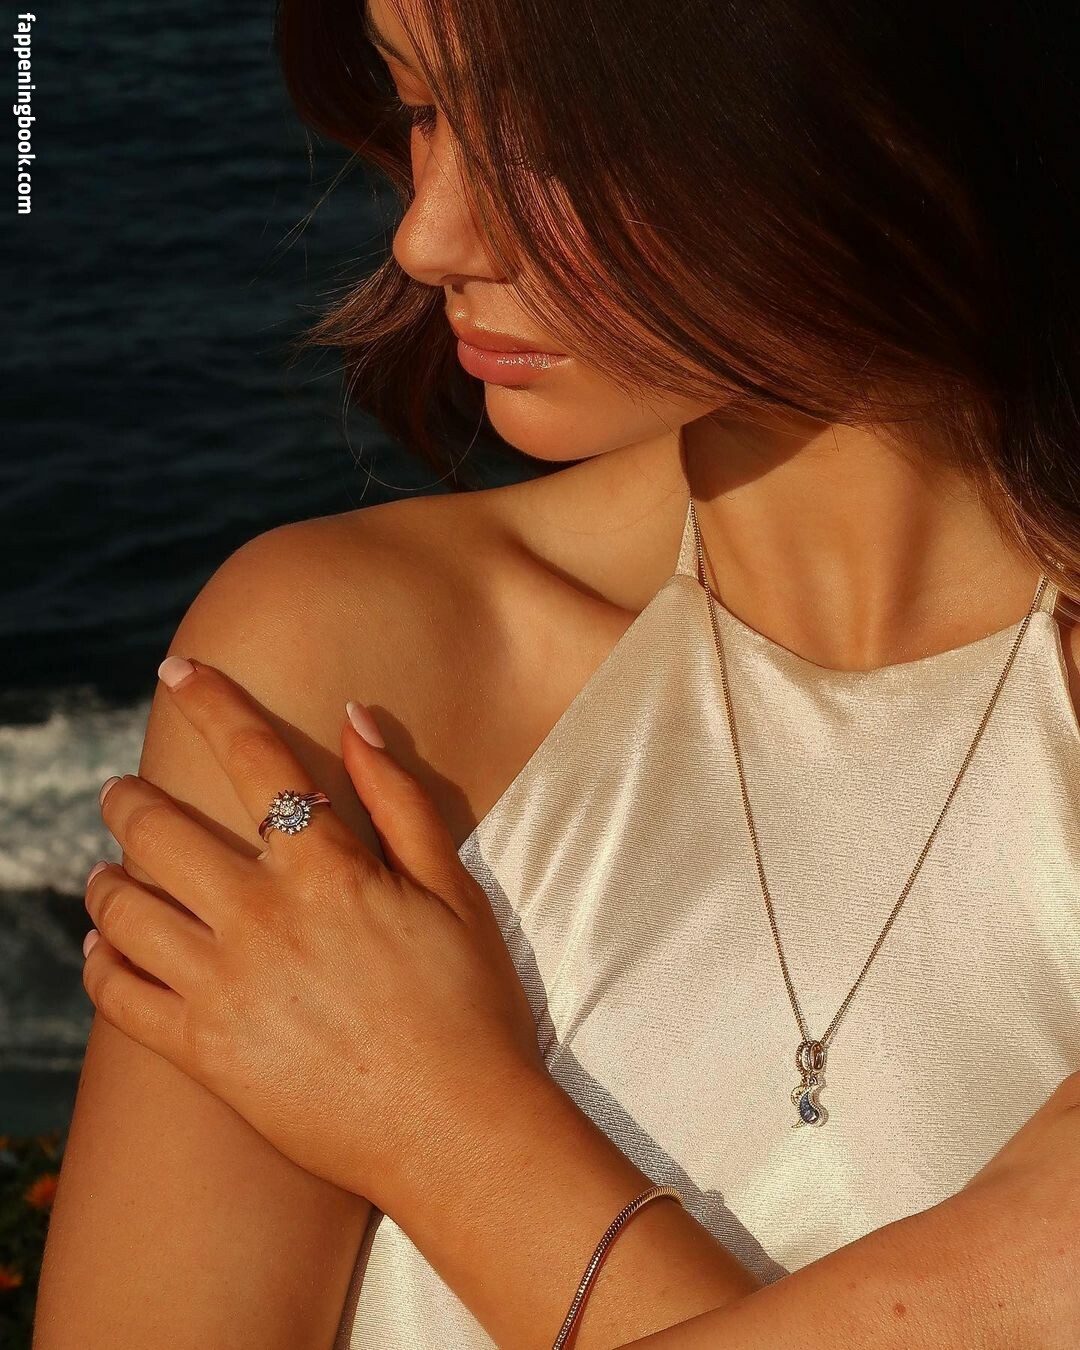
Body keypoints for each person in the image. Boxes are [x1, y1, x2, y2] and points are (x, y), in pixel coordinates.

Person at [34, 0, 1080, 1346]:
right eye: (422, 111)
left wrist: (440, 1124)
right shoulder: (350, 673)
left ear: (877, 92)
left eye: (560, 143)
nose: (427, 236)